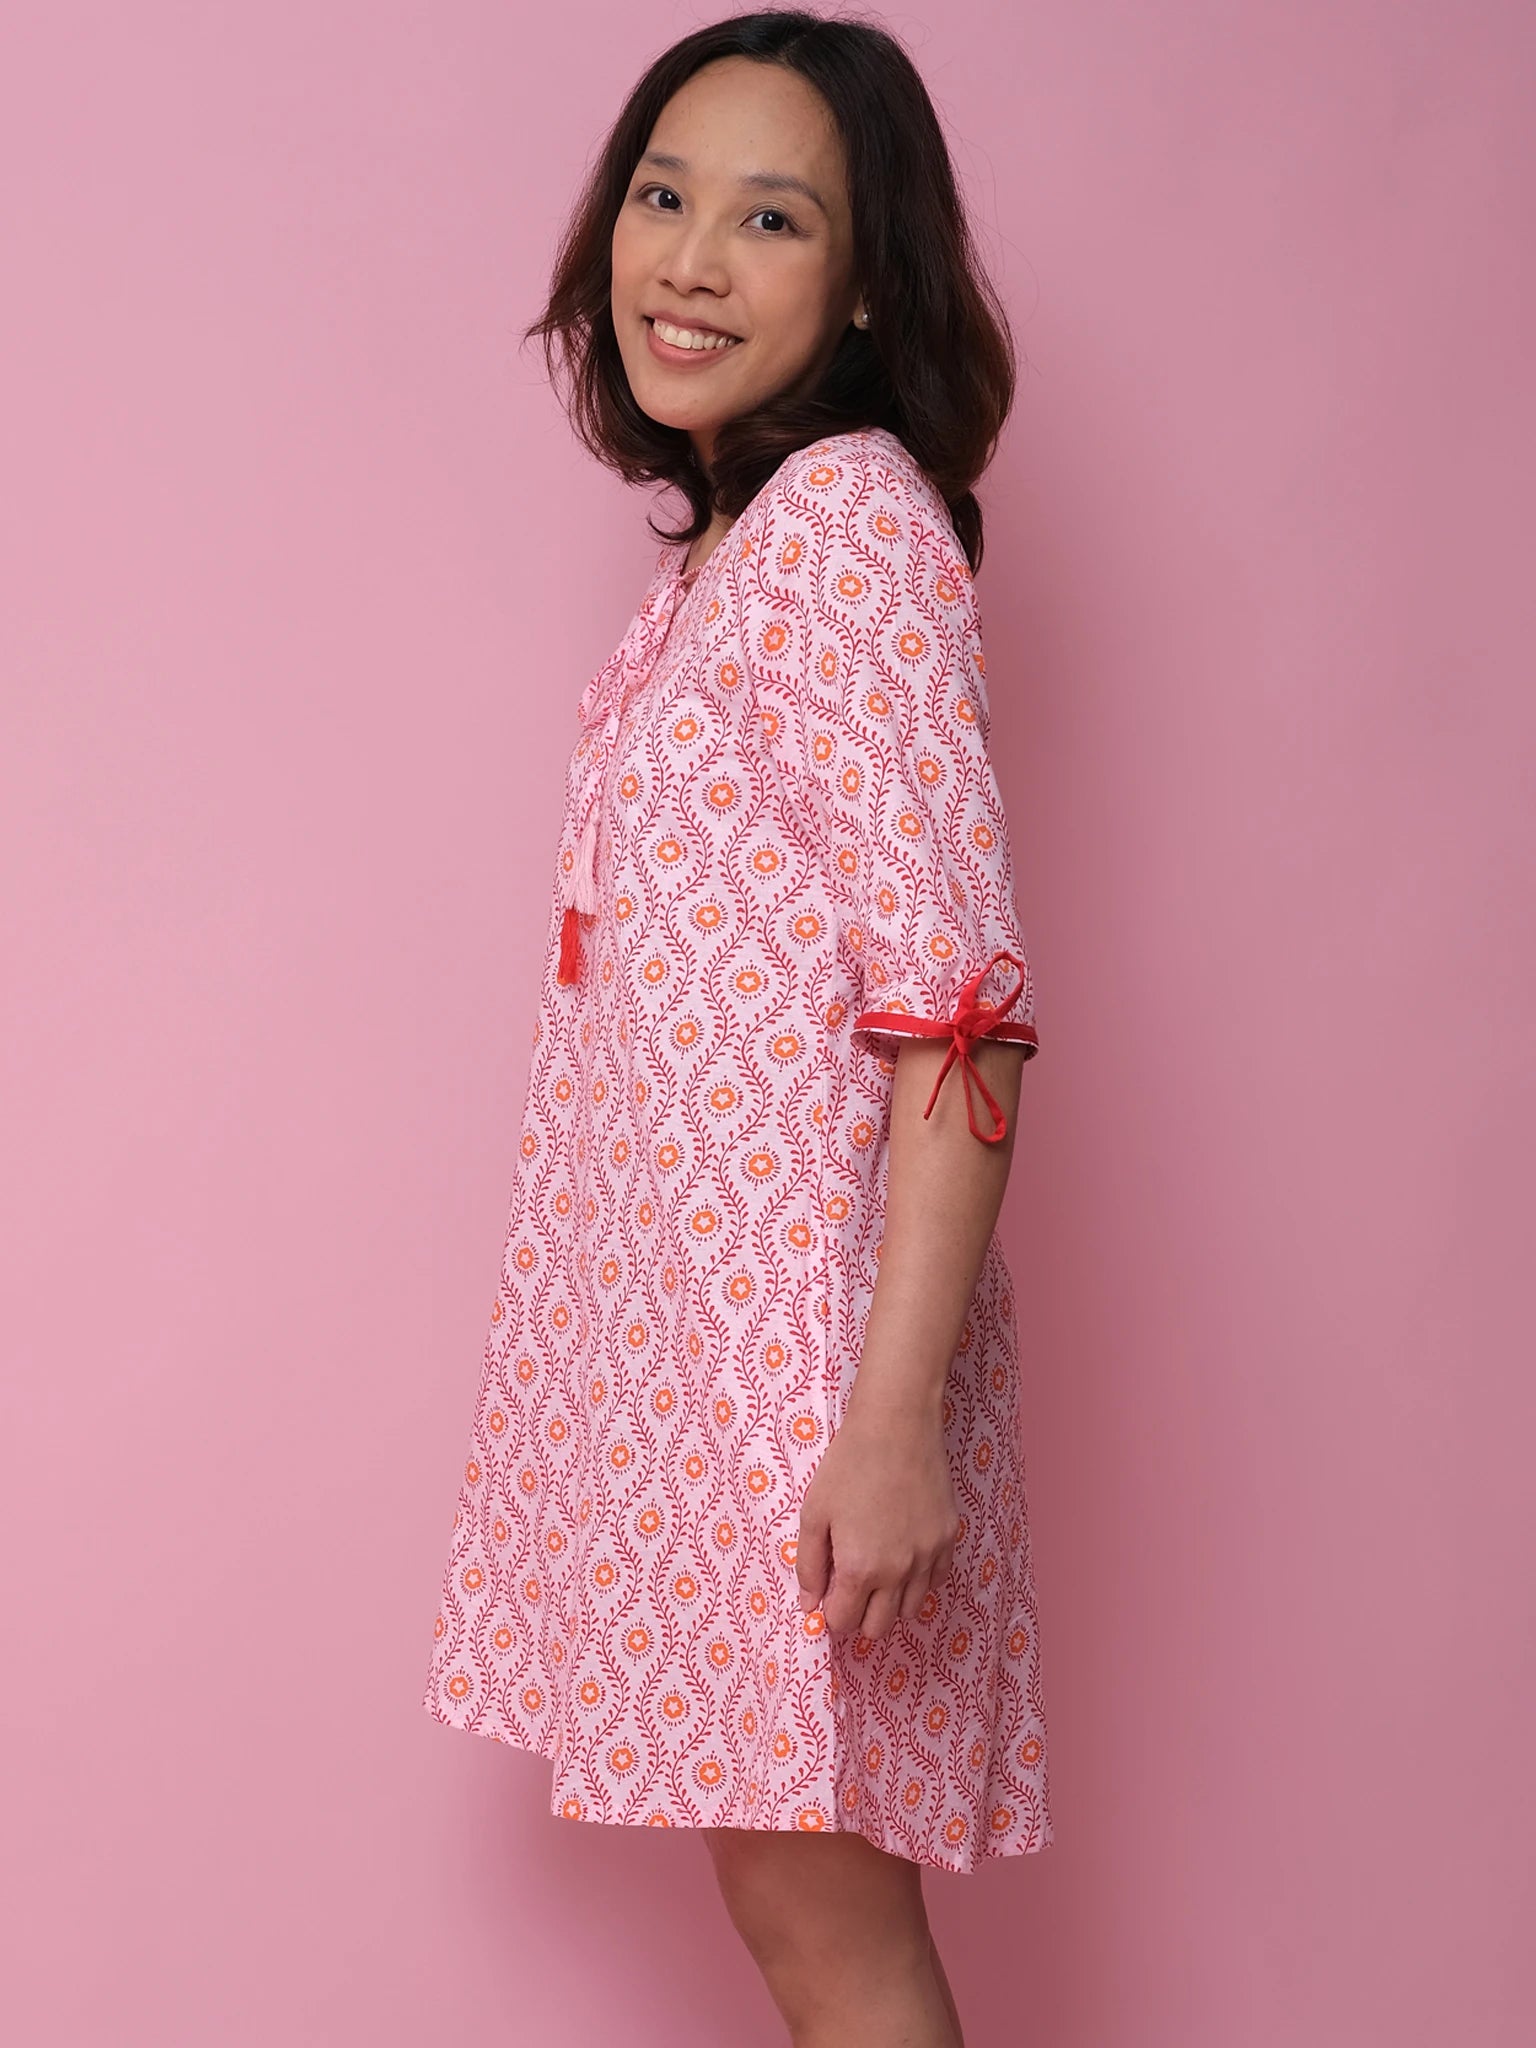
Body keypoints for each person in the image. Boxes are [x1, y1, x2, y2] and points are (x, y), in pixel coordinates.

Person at [423, 12, 1054, 2044]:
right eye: (663, 198)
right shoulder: (742, 548)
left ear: (865, 280)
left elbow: (960, 1009)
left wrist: (886, 1429)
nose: (687, 259)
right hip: (713, 1376)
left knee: (835, 1947)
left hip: (805, 1384)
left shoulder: (853, 530)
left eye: (769, 217)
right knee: (797, 1930)